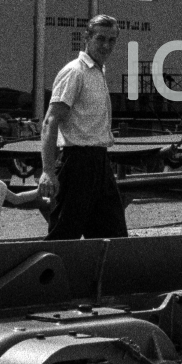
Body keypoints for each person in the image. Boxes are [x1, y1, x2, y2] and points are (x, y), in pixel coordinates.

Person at [39, 14, 129, 240]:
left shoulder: (98, 71)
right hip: (76, 161)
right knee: (65, 233)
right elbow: (50, 121)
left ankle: (102, 275)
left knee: (112, 235)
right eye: (100, 39)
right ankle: (47, 273)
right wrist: (48, 171)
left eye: (112, 40)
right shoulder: (75, 72)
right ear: (86, 38)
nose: (106, 45)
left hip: (100, 162)